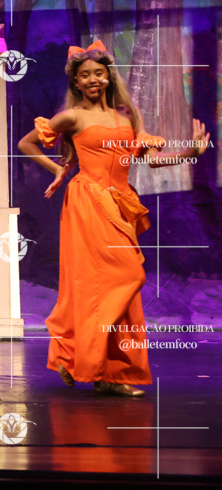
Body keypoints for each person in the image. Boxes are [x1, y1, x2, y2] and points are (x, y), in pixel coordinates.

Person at [18, 40, 209, 397]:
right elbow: (26, 143)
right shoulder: (73, 116)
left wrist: (190, 153)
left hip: (120, 203)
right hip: (88, 200)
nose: (92, 79)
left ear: (108, 77)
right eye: (84, 75)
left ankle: (111, 373)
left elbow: (151, 160)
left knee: (111, 286)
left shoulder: (127, 116)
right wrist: (57, 169)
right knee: (125, 274)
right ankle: (78, 351)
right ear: (76, 82)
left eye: (98, 73)